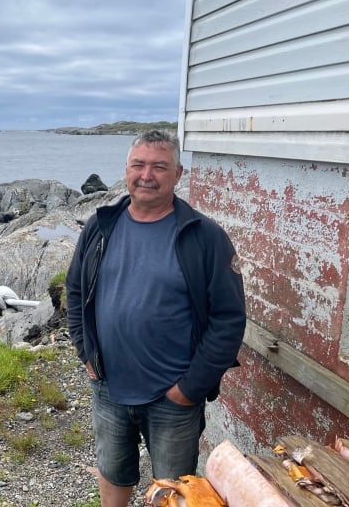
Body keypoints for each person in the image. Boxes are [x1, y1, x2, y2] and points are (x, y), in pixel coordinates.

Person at [66, 129, 246, 507]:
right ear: (127, 170)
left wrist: (190, 389)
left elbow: (228, 320)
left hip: (173, 398)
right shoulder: (100, 227)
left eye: (159, 166)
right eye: (138, 164)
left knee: (173, 487)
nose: (147, 174)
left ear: (178, 173)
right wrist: (86, 354)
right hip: (108, 388)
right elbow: (76, 292)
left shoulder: (204, 237)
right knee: (113, 470)